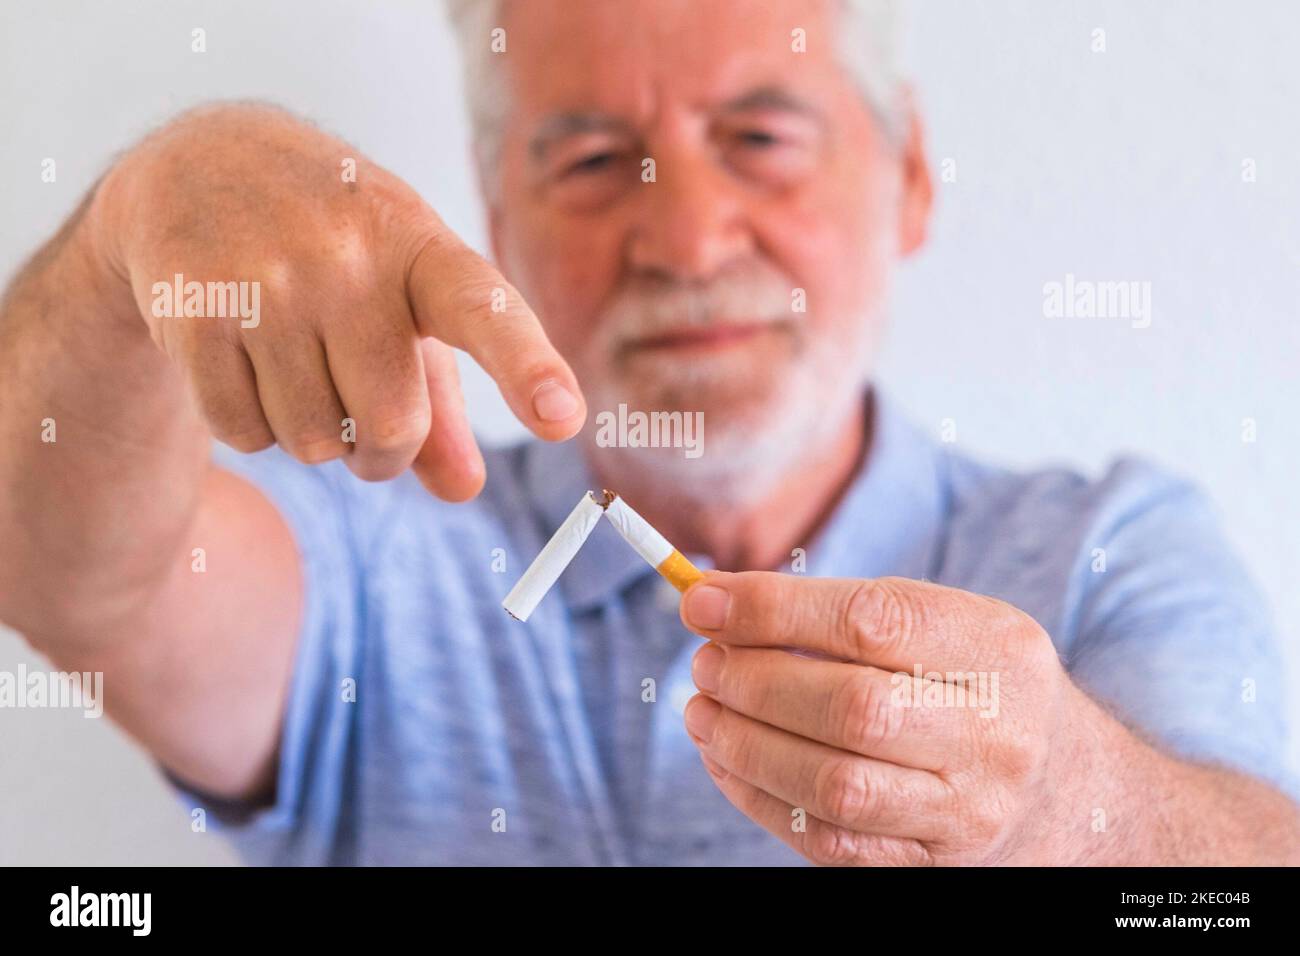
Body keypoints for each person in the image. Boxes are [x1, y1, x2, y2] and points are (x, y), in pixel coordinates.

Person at [1, 0, 1296, 865]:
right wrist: (128, 241)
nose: (683, 241)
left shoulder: (1108, 548)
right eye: (589, 161)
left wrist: (1069, 799)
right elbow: (51, 564)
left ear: (907, 182)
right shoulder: (381, 543)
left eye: (761, 138)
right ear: (498, 229)